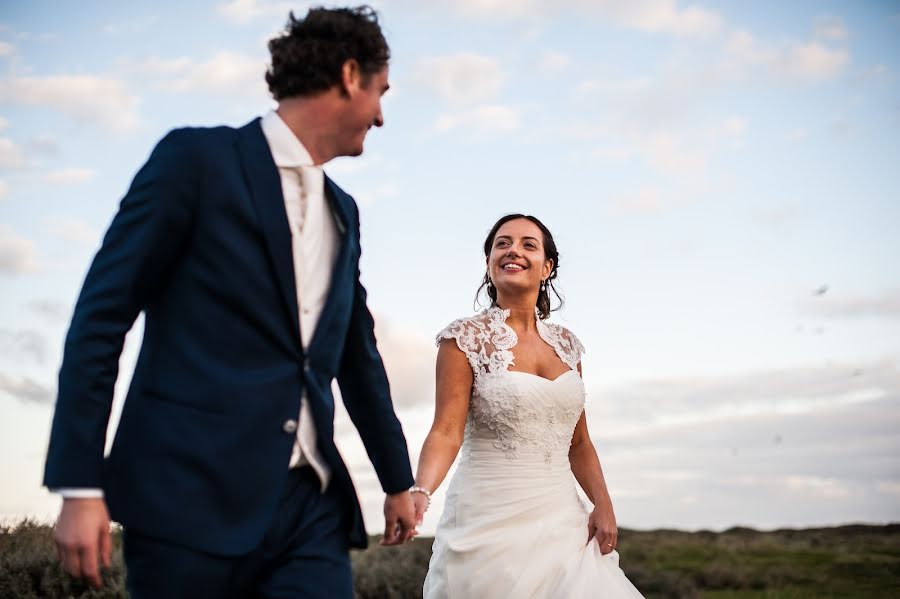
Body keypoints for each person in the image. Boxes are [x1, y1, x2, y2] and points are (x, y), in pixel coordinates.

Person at [42, 6, 417, 598]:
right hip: (186, 497)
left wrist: (399, 481)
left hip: (309, 509)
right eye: (381, 93)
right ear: (350, 75)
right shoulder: (195, 162)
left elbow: (357, 357)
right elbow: (101, 316)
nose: (381, 116)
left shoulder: (344, 213)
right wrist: (78, 482)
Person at [412, 214, 645, 598]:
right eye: (502, 244)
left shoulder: (568, 346)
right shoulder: (464, 339)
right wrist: (422, 489)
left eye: (527, 244)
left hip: (563, 522)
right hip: (487, 520)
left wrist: (603, 505)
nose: (512, 250)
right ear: (489, 264)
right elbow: (446, 431)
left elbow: (579, 443)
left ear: (547, 267)